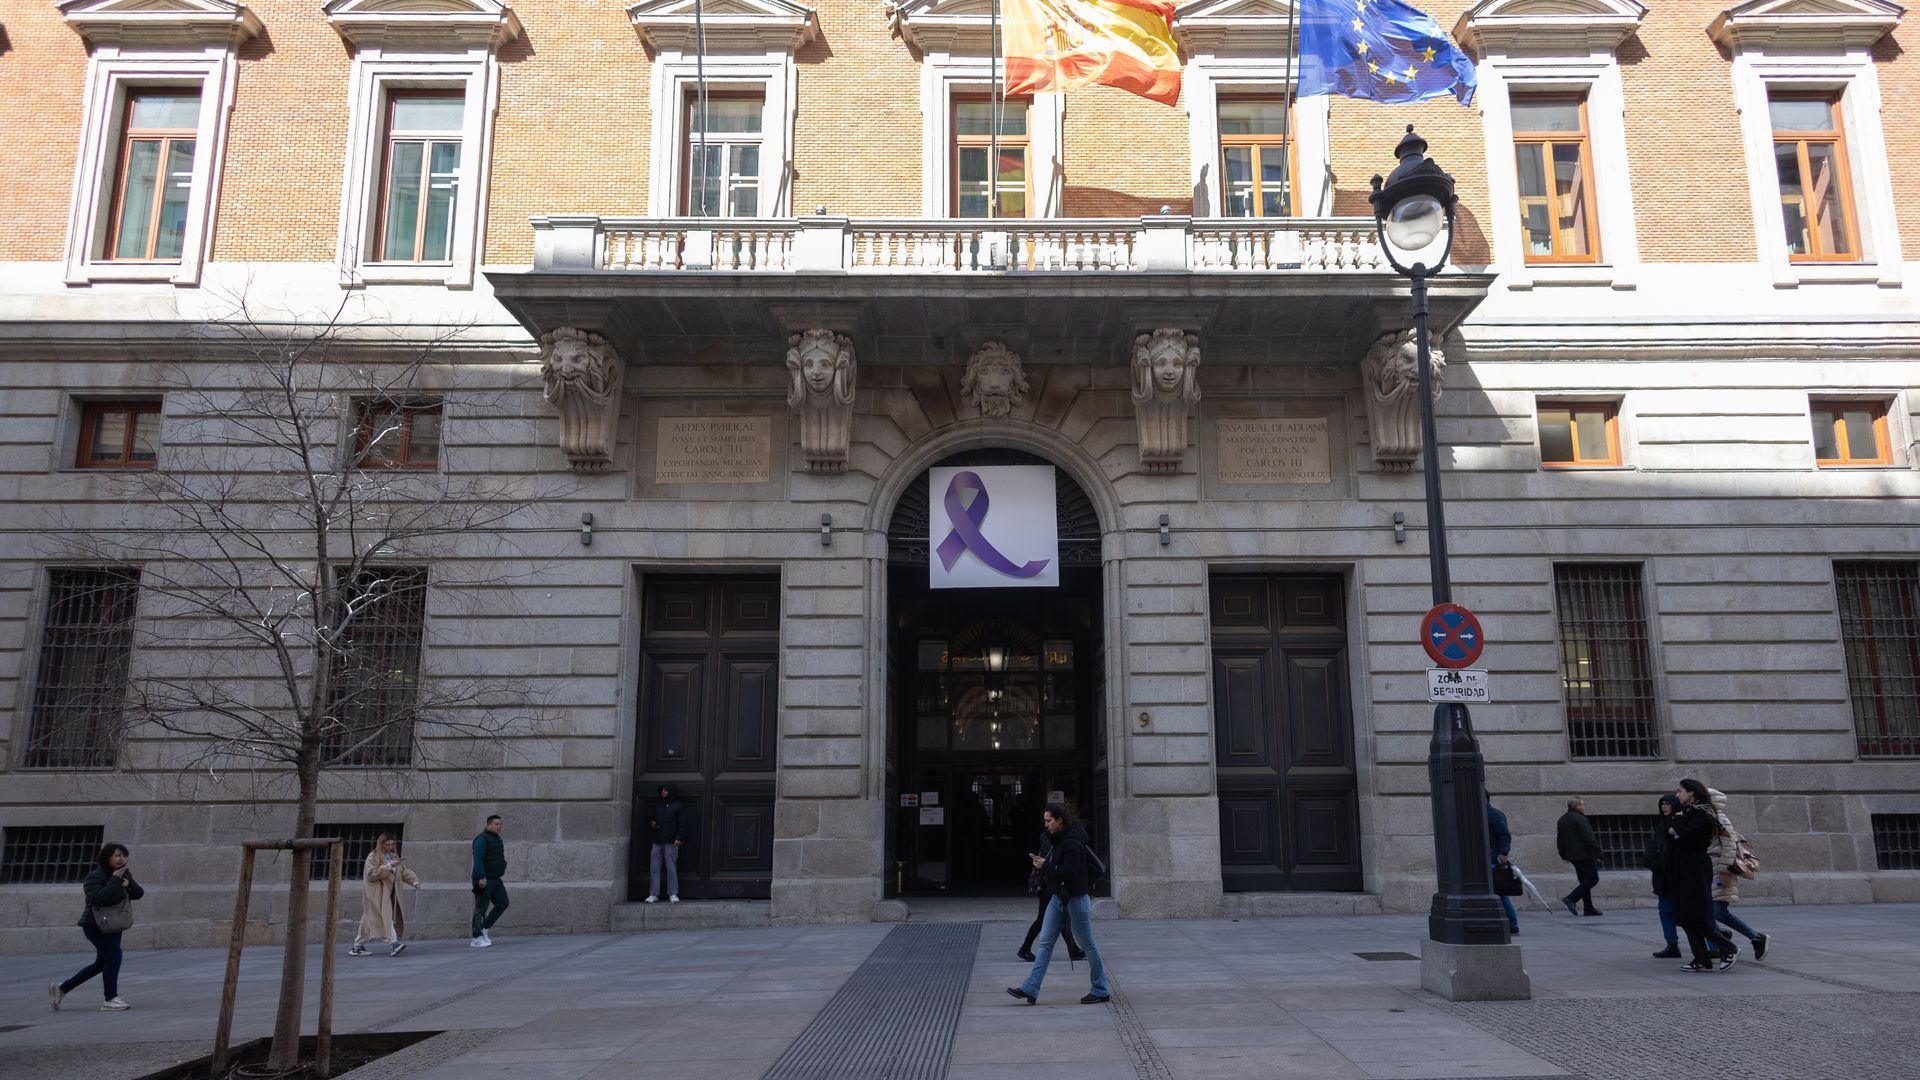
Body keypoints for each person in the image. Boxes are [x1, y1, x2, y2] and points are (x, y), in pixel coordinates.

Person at [1006, 803, 1111, 1006]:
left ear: (1059, 820)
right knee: (1045, 942)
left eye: (1049, 820)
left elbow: (1070, 872)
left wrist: (1045, 866)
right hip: (1057, 897)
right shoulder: (1054, 839)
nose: (1046, 824)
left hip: (1076, 898)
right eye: (1045, 820)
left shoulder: (1072, 842)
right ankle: (1030, 987)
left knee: (1087, 944)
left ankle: (1101, 988)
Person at [50, 842, 143, 1012]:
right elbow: (97, 898)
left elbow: (138, 894)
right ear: (107, 858)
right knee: (114, 958)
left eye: (123, 855)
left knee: (102, 963)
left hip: (114, 924)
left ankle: (62, 989)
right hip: (95, 925)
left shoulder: (124, 874)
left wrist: (127, 883)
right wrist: (115, 880)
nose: (121, 858)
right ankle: (110, 999)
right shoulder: (95, 877)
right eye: (117, 855)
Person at [1668, 778, 1738, 971]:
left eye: (1680, 791)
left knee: (1698, 914)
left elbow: (1688, 834)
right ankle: (1701, 959)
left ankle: (1729, 947)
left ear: (1691, 792)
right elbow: (1672, 832)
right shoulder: (1689, 811)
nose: (1677, 795)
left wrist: (1677, 822)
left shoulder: (1703, 812)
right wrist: (1677, 823)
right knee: (1685, 916)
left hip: (1696, 868)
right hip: (1683, 866)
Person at [1706, 788, 1770, 961]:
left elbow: (1728, 845)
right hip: (1709, 869)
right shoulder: (1705, 816)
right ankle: (1717, 942)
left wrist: (1723, 871)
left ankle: (1756, 937)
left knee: (1718, 912)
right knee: (1708, 912)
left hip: (1718, 871)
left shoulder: (1719, 818)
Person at [1017, 822, 1084, 962]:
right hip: (1049, 884)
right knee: (1043, 919)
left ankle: (1074, 950)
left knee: (1061, 919)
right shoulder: (1052, 840)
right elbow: (1054, 863)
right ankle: (1025, 948)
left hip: (1049, 884)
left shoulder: (1049, 838)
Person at [352, 834, 421, 957]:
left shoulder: (393, 856)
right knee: (386, 917)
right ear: (381, 844)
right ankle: (394, 944)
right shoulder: (373, 856)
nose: (390, 847)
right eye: (387, 844)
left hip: (389, 893)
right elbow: (371, 874)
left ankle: (357, 946)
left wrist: (414, 881)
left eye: (391, 844)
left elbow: (403, 871)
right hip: (376, 894)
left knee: (369, 920)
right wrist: (388, 866)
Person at [1643, 794, 1684, 958]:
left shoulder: (1680, 823)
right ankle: (1672, 944)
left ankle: (1714, 942)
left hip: (1678, 875)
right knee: (1665, 910)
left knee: (1692, 912)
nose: (1664, 807)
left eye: (1668, 804)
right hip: (1663, 876)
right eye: (1662, 804)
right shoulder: (1661, 825)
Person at [1556, 796, 1602, 916]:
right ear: (1577, 806)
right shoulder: (1580, 819)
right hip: (1585, 854)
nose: (1584, 807)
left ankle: (1588, 908)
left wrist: (1563, 854)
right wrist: (1598, 853)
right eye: (1582, 804)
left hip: (1572, 855)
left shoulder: (1562, 819)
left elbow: (1560, 839)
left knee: (1584, 881)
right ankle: (1571, 898)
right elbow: (1589, 838)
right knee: (1592, 879)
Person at [645, 784, 689, 904]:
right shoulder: (658, 806)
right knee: (654, 868)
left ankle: (673, 893)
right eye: (662, 790)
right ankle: (653, 894)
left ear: (671, 791)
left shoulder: (678, 806)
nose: (663, 792)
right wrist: (653, 824)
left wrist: (679, 838)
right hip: (657, 841)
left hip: (671, 841)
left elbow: (682, 823)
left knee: (671, 868)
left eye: (665, 790)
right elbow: (652, 819)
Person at [471, 814, 509, 947]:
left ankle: (484, 928)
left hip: (495, 878)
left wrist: (503, 865)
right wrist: (481, 876)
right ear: (488, 824)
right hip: (483, 879)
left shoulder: (497, 839)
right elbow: (478, 860)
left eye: (500, 824)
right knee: (481, 908)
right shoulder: (481, 839)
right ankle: (476, 937)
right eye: (496, 824)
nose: (499, 827)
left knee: (503, 903)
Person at [1487, 795, 1519, 935]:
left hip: (1494, 856)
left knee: (1499, 892)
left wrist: (1503, 852)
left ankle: (1512, 924)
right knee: (1497, 892)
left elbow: (1504, 835)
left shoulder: (1494, 814)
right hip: (1487, 856)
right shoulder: (1483, 814)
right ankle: (1510, 924)